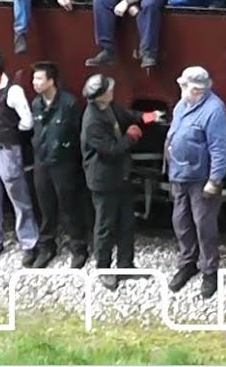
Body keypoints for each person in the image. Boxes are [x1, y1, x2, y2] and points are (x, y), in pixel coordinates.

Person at [165, 67, 226, 299]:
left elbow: (220, 148)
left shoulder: (214, 110)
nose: (181, 89)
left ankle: (210, 270)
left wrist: (215, 179)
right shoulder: (182, 106)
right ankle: (187, 263)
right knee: (181, 222)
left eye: (185, 86)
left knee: (204, 226)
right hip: (179, 175)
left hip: (200, 178)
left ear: (196, 89)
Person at [80, 74, 146, 290]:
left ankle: (125, 265)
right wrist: (131, 136)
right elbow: (111, 150)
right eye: (109, 88)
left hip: (121, 176)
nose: (112, 90)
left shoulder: (109, 107)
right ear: (100, 96)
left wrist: (146, 117)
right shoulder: (92, 121)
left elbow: (127, 115)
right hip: (104, 180)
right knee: (105, 226)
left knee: (127, 222)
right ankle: (104, 269)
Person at [0, 47, 40, 268]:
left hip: (7, 150)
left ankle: (29, 242)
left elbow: (27, 121)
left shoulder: (13, 92)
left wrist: (11, 133)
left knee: (18, 196)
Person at [29, 61, 90, 269]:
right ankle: (47, 246)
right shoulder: (36, 104)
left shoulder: (69, 103)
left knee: (69, 206)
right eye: (34, 78)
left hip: (63, 163)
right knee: (45, 206)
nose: (34, 83)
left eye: (39, 78)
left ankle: (78, 247)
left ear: (51, 81)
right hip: (42, 162)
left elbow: (78, 133)